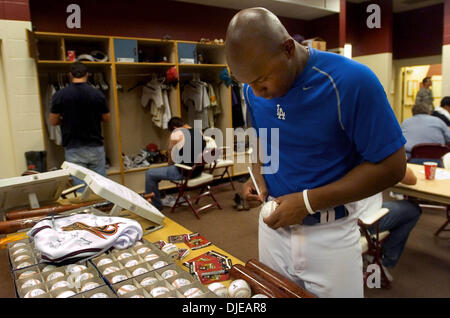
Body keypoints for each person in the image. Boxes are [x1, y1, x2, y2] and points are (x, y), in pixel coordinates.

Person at [225, 7, 407, 298]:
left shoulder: (352, 81)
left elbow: (392, 167)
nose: (256, 92)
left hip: (330, 236)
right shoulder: (251, 90)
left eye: (261, 81)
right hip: (272, 231)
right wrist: (258, 176)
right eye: (248, 84)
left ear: (287, 48)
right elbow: (260, 138)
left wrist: (307, 202)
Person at [50, 62, 110, 187]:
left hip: (73, 147)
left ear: (70, 75)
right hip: (95, 145)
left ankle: (86, 207)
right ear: (87, 75)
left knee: (81, 188)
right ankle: (102, 206)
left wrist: (67, 120)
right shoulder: (97, 94)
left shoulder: (60, 95)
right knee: (101, 187)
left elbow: (53, 121)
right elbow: (106, 117)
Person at [364, 167, 421, 282]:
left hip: (336, 219)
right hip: (365, 221)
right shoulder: (374, 152)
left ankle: (378, 253)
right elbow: (411, 179)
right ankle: (384, 260)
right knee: (413, 210)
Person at [144, 117, 206, 210]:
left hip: (185, 172)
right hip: (198, 170)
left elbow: (171, 158)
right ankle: (157, 197)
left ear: (175, 128)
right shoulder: (199, 131)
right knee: (158, 175)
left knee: (150, 174)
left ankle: (154, 206)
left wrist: (169, 165)